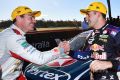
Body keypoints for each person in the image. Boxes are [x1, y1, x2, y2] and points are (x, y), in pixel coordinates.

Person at [0, 6, 69, 80]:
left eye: (34, 18)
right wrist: (61, 49)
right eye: (31, 17)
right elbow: (40, 58)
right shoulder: (12, 37)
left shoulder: (12, 33)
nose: (34, 21)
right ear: (18, 18)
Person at [61, 2, 120, 80]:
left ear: (98, 14)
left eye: (88, 15)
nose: (86, 18)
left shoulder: (116, 32)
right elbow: (88, 55)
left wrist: (110, 64)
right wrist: (70, 52)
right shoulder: (91, 35)